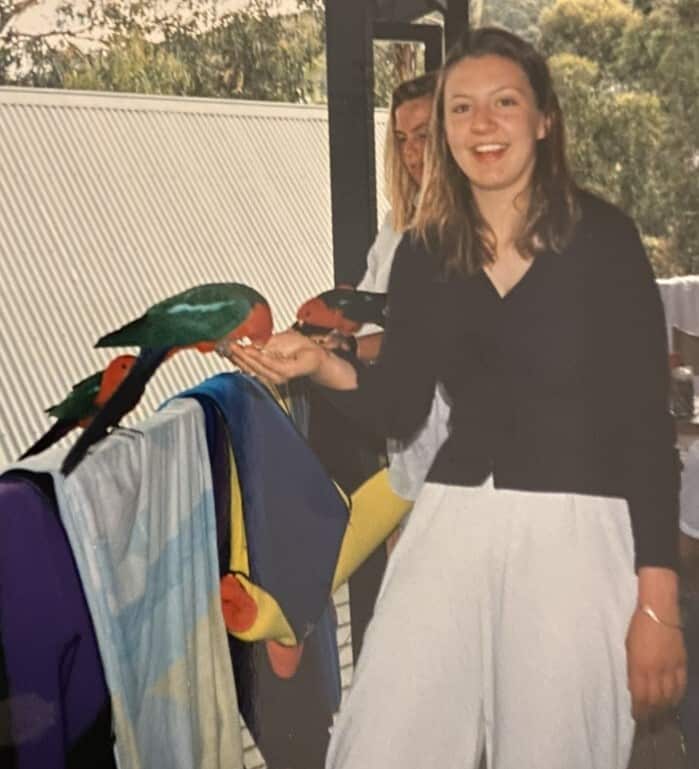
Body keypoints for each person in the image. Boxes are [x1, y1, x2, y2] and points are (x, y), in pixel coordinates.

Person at [222, 27, 687, 769]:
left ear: (544, 118)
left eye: (503, 102)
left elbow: (643, 428)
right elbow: (398, 408)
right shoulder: (425, 250)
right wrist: (316, 361)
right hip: (451, 521)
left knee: (555, 749)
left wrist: (655, 602)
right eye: (461, 108)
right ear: (443, 132)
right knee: (384, 742)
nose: (481, 124)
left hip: (575, 532)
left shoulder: (603, 240)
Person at [324, 70, 450, 506]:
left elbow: (418, 335)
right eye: (401, 139)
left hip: (452, 436)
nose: (412, 152)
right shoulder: (396, 223)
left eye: (424, 136)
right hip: (402, 434)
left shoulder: (462, 232)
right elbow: (366, 306)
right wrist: (335, 326)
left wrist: (341, 354)